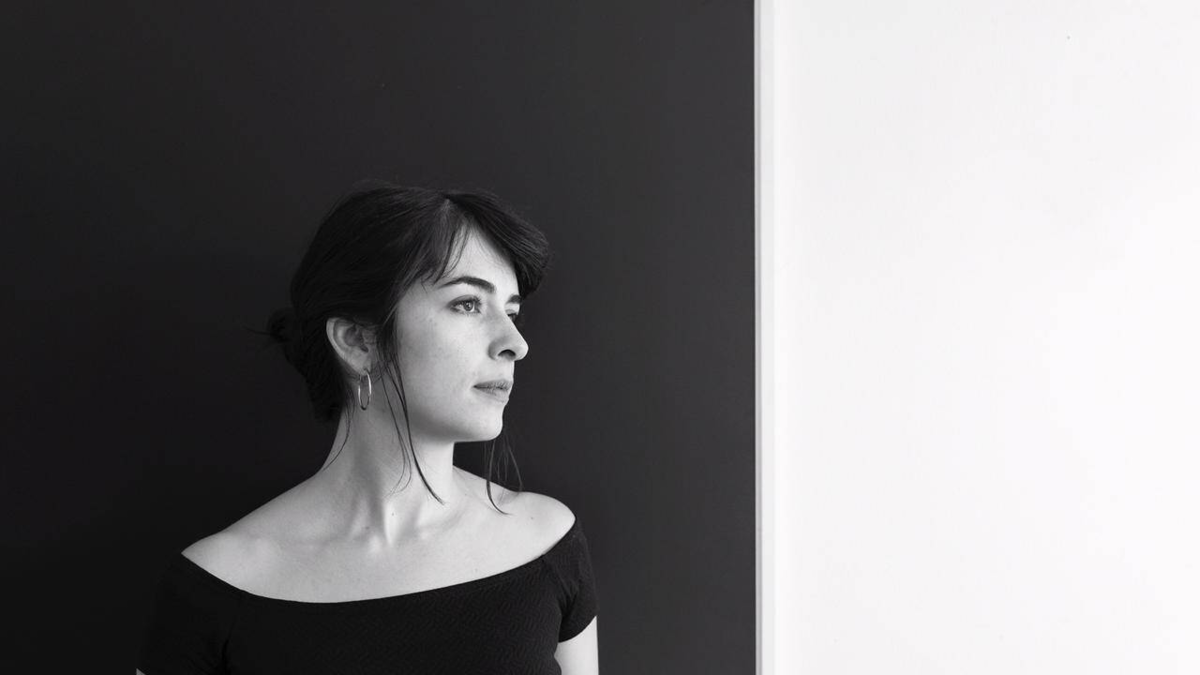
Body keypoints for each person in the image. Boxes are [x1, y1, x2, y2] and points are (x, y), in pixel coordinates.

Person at [136, 184, 599, 674]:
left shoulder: (548, 544)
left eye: (512, 312)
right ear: (358, 341)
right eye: (468, 304)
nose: (515, 343)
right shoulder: (218, 587)